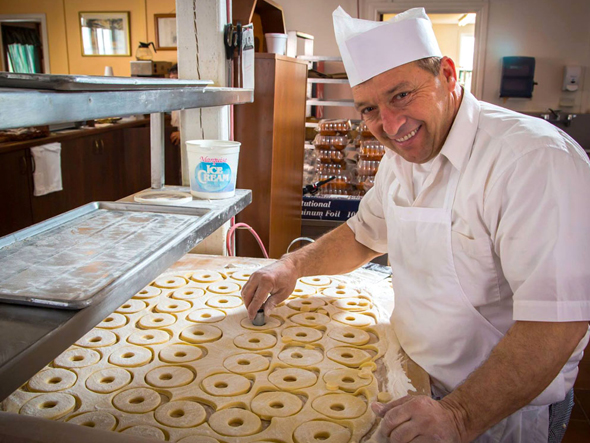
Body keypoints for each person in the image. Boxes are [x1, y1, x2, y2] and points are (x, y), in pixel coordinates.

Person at [241, 7, 590, 443]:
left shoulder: (533, 161)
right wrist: (292, 265)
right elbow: (362, 236)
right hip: (414, 381)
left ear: (447, 74)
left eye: (402, 95)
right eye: (369, 108)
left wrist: (459, 416)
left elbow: (556, 323)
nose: (389, 125)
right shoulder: (400, 159)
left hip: (497, 412)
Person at [168, 64, 181, 146]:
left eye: (176, 78)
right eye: (171, 79)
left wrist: (182, 133)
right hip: (175, 129)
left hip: (184, 133)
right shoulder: (173, 94)